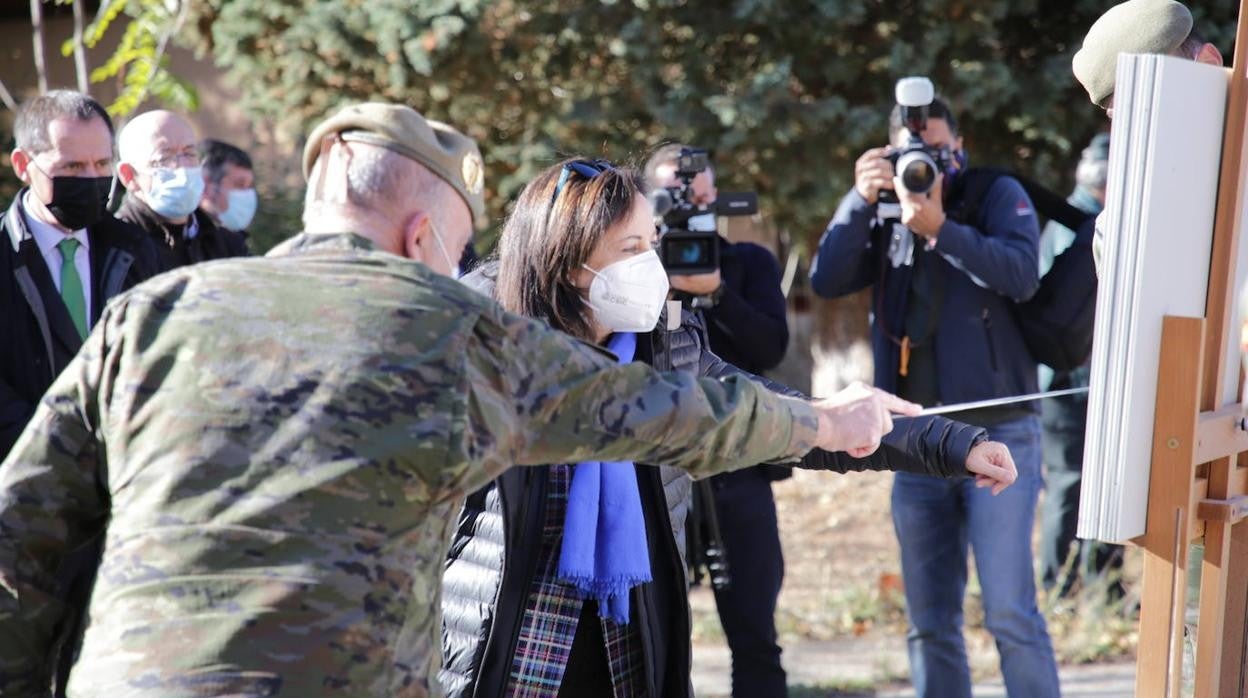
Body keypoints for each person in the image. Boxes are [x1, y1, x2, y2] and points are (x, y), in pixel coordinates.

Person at [0, 102, 976, 697]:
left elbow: (21, 534)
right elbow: (674, 414)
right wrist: (827, 418)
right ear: (426, 231)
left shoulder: (153, 312)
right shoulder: (459, 330)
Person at [439, 157, 1018, 698]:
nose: (651, 264)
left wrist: (946, 442)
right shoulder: (489, 335)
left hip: (627, 652)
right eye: (631, 247)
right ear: (568, 262)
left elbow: (767, 414)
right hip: (508, 652)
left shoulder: (665, 343)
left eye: (653, 243)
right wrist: (824, 421)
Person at [810, 94, 1060, 697]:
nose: (927, 165)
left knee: (1008, 611)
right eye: (910, 155)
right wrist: (859, 198)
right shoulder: (882, 209)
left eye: (940, 152)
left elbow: (1022, 274)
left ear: (961, 147)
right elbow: (826, 279)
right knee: (928, 622)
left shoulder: (993, 194)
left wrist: (943, 230)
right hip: (914, 442)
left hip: (1000, 430)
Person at [645, 144, 791, 697]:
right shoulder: (631, 273)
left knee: (755, 634)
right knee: (655, 637)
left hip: (738, 468)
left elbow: (769, 347)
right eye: (675, 200)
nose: (689, 211)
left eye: (701, 199)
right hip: (658, 473)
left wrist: (717, 293)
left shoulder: (748, 263)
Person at [1, 90, 160, 458]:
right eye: (72, 167)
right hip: (21, 479)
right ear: (24, 165)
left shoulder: (134, 248)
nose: (91, 179)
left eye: (102, 164)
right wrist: (56, 450)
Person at [1072, 0, 1223, 270]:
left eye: (1159, 93)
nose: (1148, 123)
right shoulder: (1121, 228)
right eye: (1126, 114)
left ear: (1209, 64)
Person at [1037, 133, 1124, 600]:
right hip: (1066, 385)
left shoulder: (1093, 220)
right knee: (1069, 485)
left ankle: (1103, 585)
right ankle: (1059, 591)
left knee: (1109, 482)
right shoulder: (1073, 225)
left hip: (1095, 383)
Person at [115, 110, 248, 270]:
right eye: (164, 159)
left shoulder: (223, 241)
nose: (182, 167)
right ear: (129, 175)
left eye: (189, 153)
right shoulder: (119, 251)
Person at [198, 138, 257, 237]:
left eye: (250, 186)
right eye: (240, 185)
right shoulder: (185, 240)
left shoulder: (234, 242)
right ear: (205, 185)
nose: (248, 195)